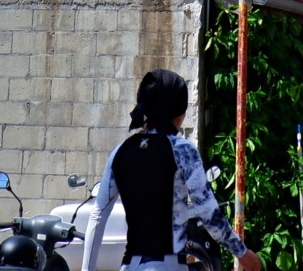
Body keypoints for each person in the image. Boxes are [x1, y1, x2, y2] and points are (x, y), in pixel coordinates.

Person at [80, 69, 263, 271]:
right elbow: (208, 213)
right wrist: (243, 254)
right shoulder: (181, 150)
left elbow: (98, 215)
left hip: (129, 265)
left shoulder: (120, 152)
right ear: (179, 112)